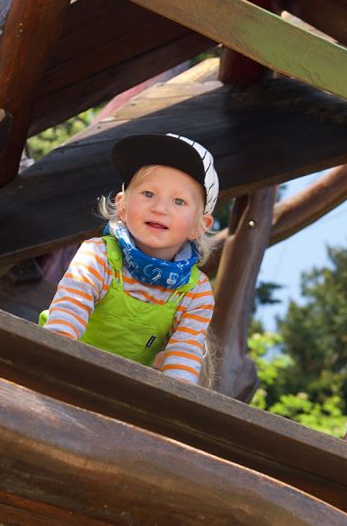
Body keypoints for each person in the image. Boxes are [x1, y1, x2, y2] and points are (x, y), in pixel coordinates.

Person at [41, 133, 219, 385]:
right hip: (61, 363)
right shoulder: (100, 255)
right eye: (148, 193)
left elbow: (183, 361)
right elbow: (67, 315)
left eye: (179, 201)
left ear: (199, 225)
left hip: (124, 384)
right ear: (123, 206)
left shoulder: (195, 292)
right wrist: (52, 356)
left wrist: (177, 400)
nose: (160, 208)